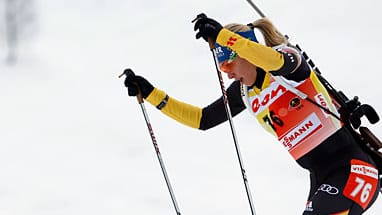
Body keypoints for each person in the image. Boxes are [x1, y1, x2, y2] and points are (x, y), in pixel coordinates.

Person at [123, 14, 380, 214]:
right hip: (320, 180)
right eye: (220, 65)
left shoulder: (289, 65)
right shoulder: (244, 92)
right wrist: (151, 93)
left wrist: (223, 36)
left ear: (245, 52)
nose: (225, 71)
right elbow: (202, 120)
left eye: (228, 62)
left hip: (354, 170)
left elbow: (275, 62)